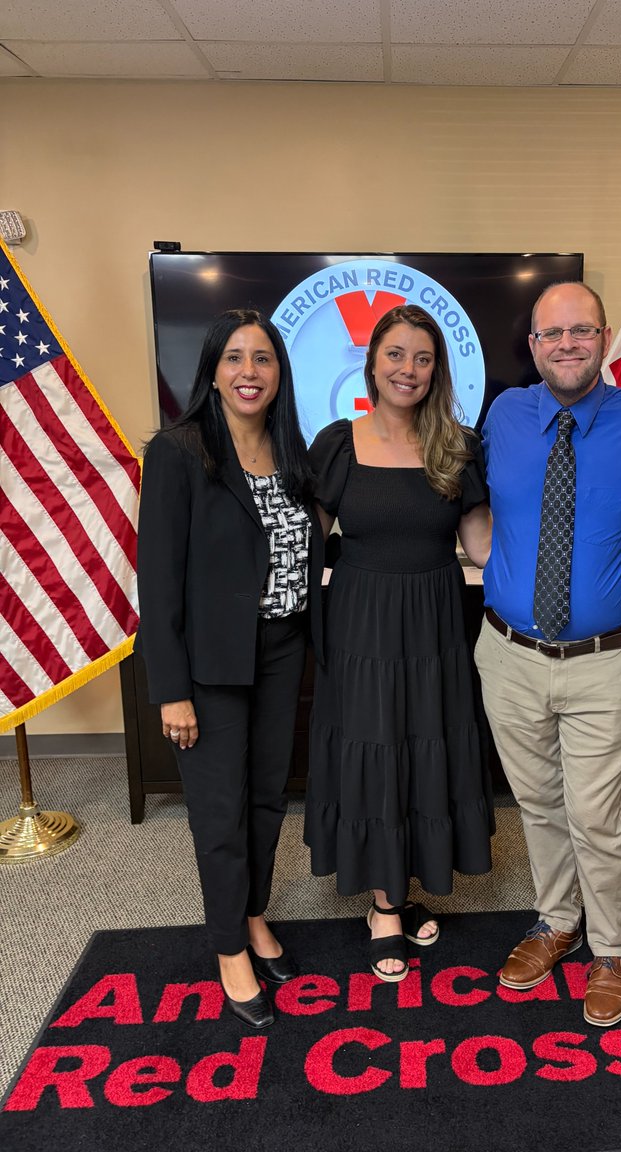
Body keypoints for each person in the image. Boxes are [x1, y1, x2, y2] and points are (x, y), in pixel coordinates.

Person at [474, 281, 621, 1026]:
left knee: (594, 811)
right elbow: (479, 499)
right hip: (510, 656)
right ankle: (558, 923)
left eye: (580, 331)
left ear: (604, 337)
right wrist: (489, 556)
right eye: (551, 334)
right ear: (532, 347)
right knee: (539, 804)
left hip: (604, 661)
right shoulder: (507, 414)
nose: (566, 345)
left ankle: (614, 947)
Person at [136, 309, 324, 1030]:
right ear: (213, 369)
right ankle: (228, 949)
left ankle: (251, 914)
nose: (251, 371)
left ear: (280, 373)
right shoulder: (180, 452)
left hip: (280, 652)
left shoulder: (289, 448)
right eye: (236, 358)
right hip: (211, 666)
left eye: (264, 359)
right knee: (218, 813)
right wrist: (171, 691)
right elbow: (159, 581)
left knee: (267, 797)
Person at [304, 303, 494, 982]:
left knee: (423, 743)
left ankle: (403, 884)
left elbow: (480, 543)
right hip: (360, 620)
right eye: (395, 354)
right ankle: (384, 906)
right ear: (372, 360)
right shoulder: (335, 443)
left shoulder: (457, 445)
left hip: (437, 617)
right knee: (377, 744)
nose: (407, 369)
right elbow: (306, 541)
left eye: (422, 357)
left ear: (437, 368)